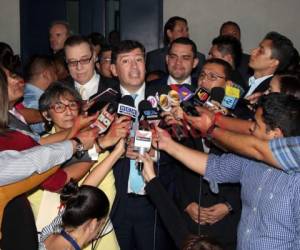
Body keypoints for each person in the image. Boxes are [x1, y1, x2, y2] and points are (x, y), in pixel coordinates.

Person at [155, 93, 300, 250]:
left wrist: (211, 128)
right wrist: (167, 144)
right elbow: (213, 166)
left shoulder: (296, 180)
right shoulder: (252, 160)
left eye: (256, 125)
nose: (250, 127)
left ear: (276, 134)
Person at [109, 40, 176, 250]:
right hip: (117, 201)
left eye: (139, 59)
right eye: (126, 61)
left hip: (156, 199)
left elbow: (186, 146)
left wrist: (158, 151)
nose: (134, 66)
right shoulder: (105, 102)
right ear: (113, 69)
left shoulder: (166, 98)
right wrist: (119, 152)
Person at [40, 181, 110, 250]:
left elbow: (83, 199)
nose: (98, 234)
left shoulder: (55, 226)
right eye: (100, 227)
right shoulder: (59, 223)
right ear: (93, 225)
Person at [64, 35, 118, 101]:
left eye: (84, 60)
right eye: (72, 62)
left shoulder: (115, 89)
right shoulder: (57, 90)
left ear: (94, 57)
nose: (79, 67)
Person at [23, 55, 58, 134]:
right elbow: (45, 132)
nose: (57, 78)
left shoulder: (23, 94)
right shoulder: (35, 101)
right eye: (55, 73)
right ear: (46, 74)